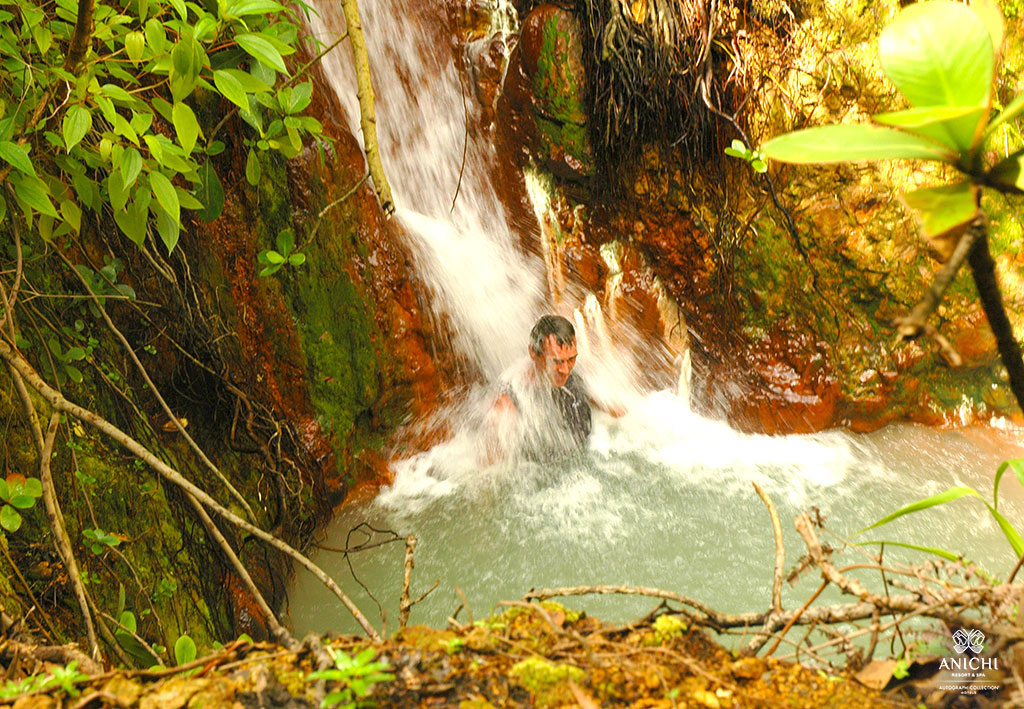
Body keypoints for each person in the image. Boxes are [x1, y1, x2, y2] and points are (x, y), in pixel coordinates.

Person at [486, 315, 593, 462]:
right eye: (556, 361)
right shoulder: (508, 403)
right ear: (533, 352)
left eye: (571, 359)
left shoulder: (572, 375)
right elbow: (492, 471)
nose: (565, 370)